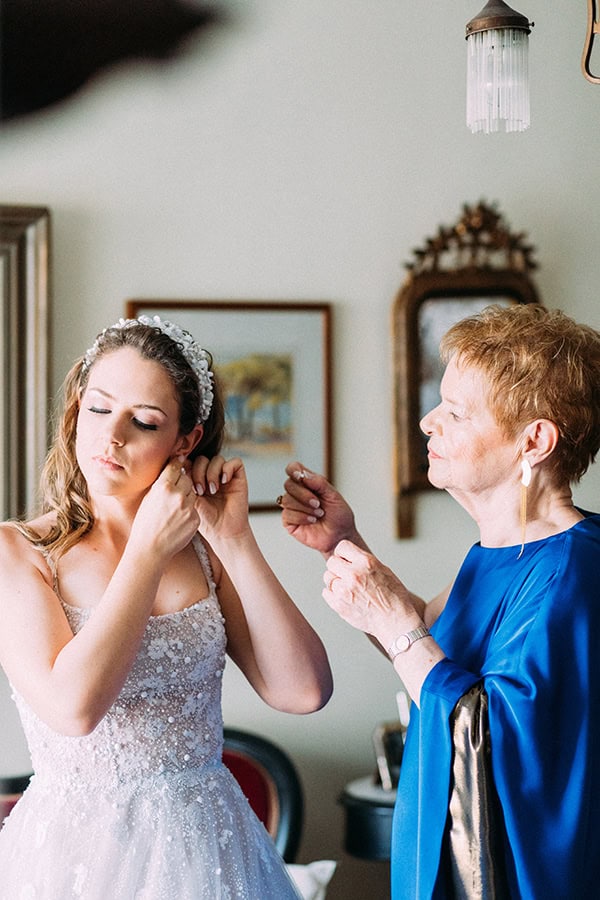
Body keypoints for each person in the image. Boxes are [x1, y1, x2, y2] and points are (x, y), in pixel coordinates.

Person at [0, 315, 333, 899]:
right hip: (72, 859)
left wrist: (234, 539)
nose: (111, 437)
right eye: (99, 408)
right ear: (77, 407)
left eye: (144, 421)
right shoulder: (19, 550)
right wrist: (149, 549)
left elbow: (303, 691)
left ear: (184, 440)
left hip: (207, 847)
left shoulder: (206, 550)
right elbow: (73, 711)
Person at [279, 303, 600, 899]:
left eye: (455, 411)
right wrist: (344, 544)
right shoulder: (500, 551)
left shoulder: (573, 572)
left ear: (534, 440)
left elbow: (490, 737)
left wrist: (394, 620)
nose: (429, 421)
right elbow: (429, 652)